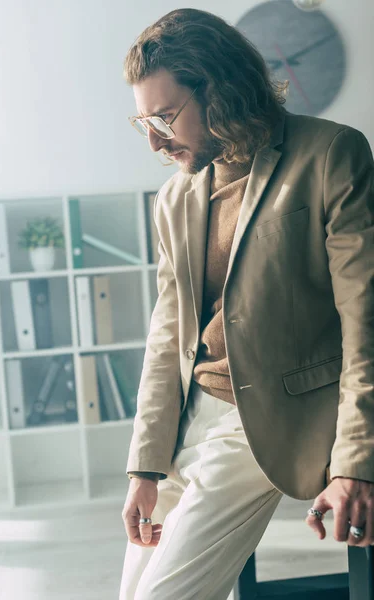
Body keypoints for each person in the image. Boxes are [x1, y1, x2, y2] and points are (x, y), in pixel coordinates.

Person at [119, 8, 374, 600]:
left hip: (273, 418)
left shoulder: (330, 153)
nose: (155, 139)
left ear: (220, 89)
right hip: (191, 419)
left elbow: (365, 322)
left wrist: (354, 462)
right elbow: (167, 339)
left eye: (164, 115)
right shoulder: (174, 197)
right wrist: (145, 466)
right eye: (143, 121)